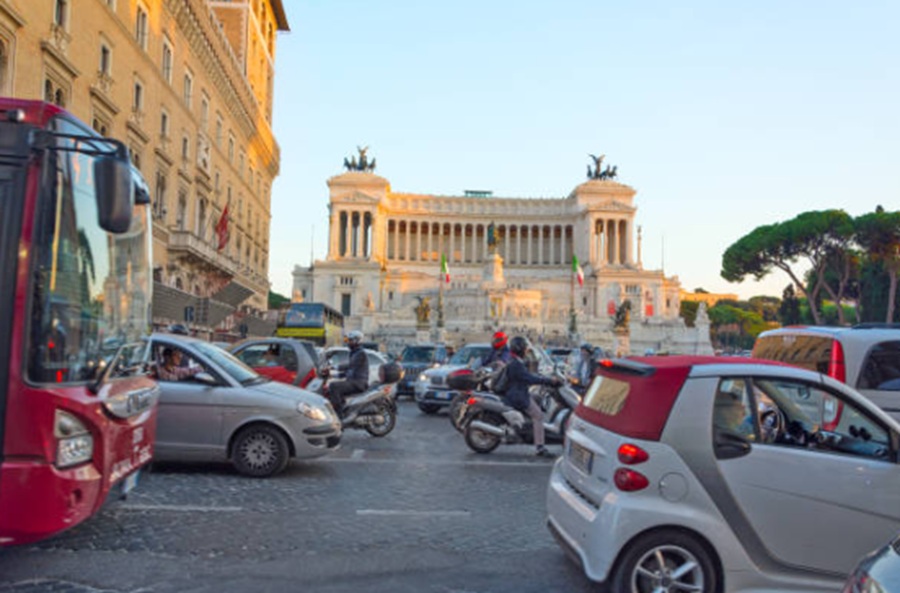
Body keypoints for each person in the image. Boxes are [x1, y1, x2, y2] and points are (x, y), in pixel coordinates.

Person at [505, 336, 562, 457]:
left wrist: (542, 377)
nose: (526, 350)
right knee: (538, 415)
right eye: (525, 348)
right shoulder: (516, 364)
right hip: (518, 395)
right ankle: (540, 446)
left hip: (516, 392)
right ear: (521, 349)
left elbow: (527, 376)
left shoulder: (513, 361)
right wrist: (549, 381)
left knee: (537, 398)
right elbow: (530, 379)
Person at [327, 330, 368, 416]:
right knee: (335, 386)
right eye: (348, 341)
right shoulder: (354, 353)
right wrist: (331, 375)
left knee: (334, 386)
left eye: (350, 340)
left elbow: (349, 365)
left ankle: (339, 413)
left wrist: (333, 367)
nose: (348, 343)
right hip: (353, 381)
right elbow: (347, 372)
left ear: (356, 341)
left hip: (358, 383)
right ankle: (345, 409)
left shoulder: (361, 353)